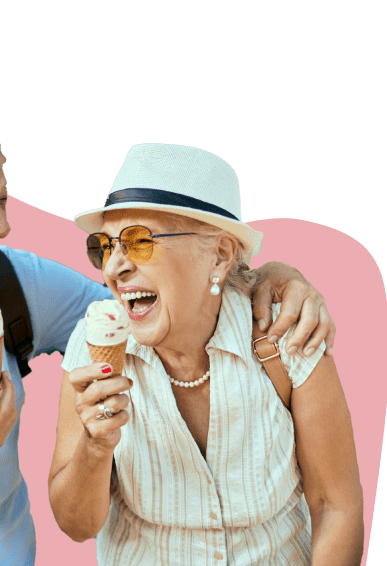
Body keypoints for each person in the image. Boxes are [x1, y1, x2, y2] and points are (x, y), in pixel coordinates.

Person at [0, 95, 335, 565]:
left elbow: (150, 301)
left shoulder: (17, 283)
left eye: (2, 199)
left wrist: (272, 276)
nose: (1, 226)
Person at [48, 144, 363, 565]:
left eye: (139, 241)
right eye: (104, 246)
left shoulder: (286, 331)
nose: (113, 267)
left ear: (218, 255)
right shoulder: (95, 344)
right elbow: (76, 526)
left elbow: (335, 507)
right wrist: (95, 446)